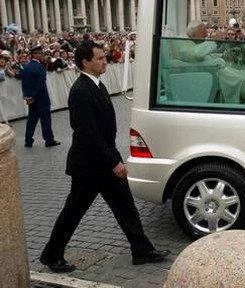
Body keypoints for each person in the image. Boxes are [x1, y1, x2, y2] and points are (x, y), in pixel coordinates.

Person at [39, 41, 169, 273]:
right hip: (89, 166)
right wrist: (114, 162)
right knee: (73, 212)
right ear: (85, 62)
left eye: (104, 57)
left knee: (126, 206)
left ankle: (141, 250)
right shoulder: (80, 91)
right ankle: (52, 255)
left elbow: (104, 131)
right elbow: (88, 134)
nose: (104, 61)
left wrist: (113, 158)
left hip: (103, 161)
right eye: (99, 58)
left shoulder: (97, 85)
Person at [21, 46, 60, 148]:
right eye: (40, 53)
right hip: (41, 97)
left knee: (31, 120)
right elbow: (41, 84)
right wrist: (33, 96)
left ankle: (28, 140)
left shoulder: (26, 66)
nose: (42, 55)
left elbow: (24, 83)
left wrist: (27, 96)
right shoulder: (40, 67)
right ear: (34, 54)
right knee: (45, 119)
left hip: (31, 98)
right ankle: (49, 140)